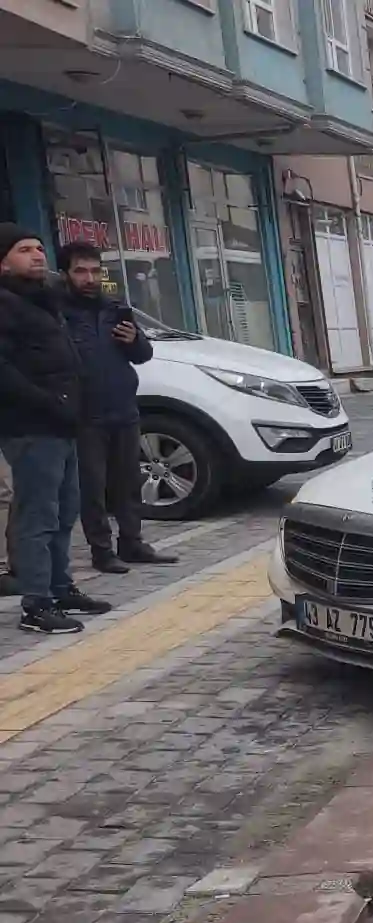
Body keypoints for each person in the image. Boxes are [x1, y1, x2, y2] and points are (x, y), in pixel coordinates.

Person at [0, 225, 113, 634]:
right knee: (38, 516)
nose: (36, 255)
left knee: (65, 512)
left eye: (38, 248)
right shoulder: (6, 304)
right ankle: (37, 604)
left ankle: (60, 587)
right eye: (23, 250)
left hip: (64, 426)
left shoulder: (43, 300)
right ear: (3, 261)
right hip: (32, 427)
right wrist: (50, 402)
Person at [58, 242, 174, 575]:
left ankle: (133, 542)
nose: (89, 278)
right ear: (66, 274)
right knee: (93, 488)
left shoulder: (114, 308)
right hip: (86, 415)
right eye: (81, 271)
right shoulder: (59, 312)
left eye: (95, 271)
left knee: (128, 481)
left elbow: (143, 354)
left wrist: (134, 340)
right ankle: (102, 550)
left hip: (124, 409)